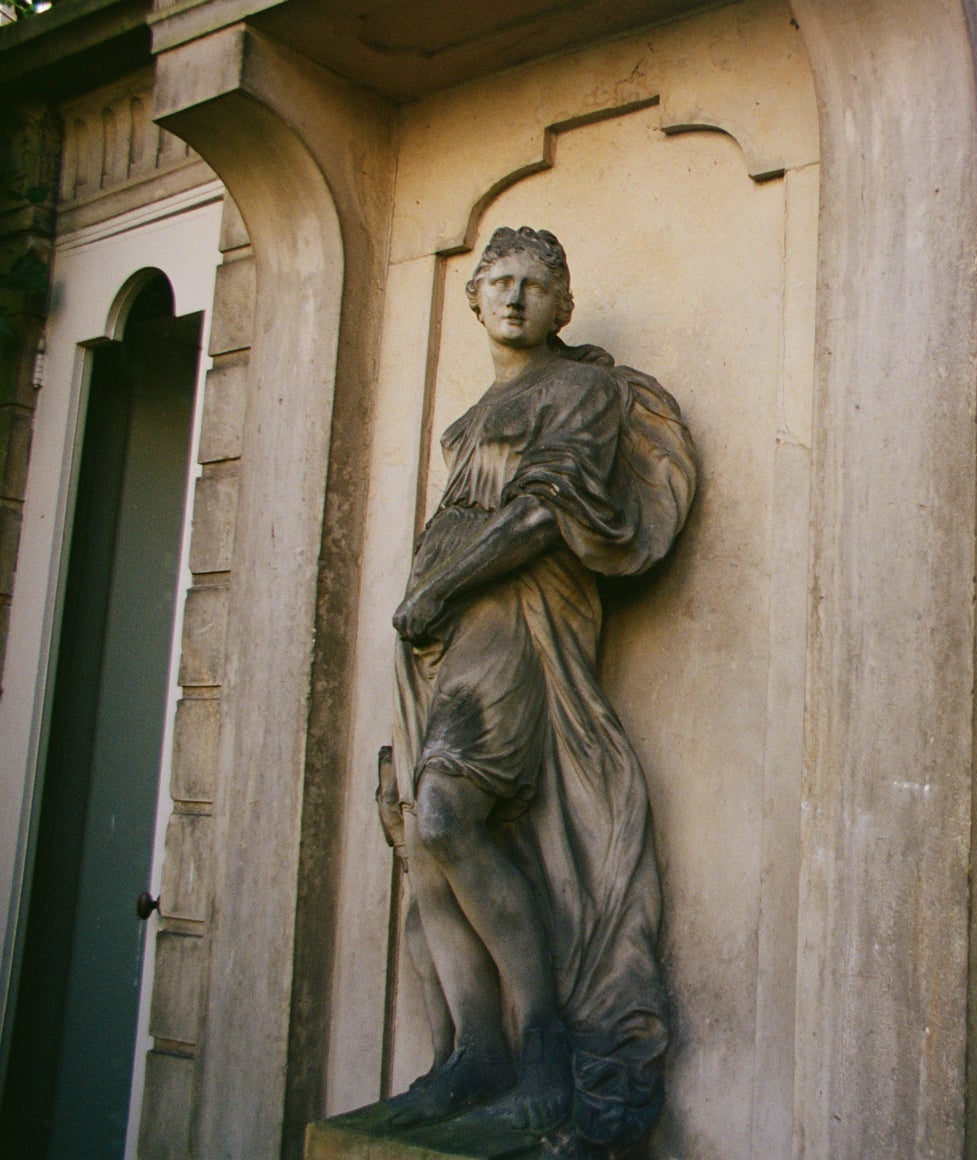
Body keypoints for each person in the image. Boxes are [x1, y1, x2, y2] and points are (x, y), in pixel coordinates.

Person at [381, 225, 696, 1148]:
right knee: (424, 840)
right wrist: (427, 607)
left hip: (513, 624)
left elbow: (544, 513)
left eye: (535, 284)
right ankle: (475, 1053)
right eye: (500, 282)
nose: (515, 297)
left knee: (450, 817)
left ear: (564, 305)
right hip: (438, 638)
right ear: (473, 298)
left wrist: (442, 587)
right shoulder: (475, 414)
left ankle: (544, 1042)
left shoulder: (580, 390)